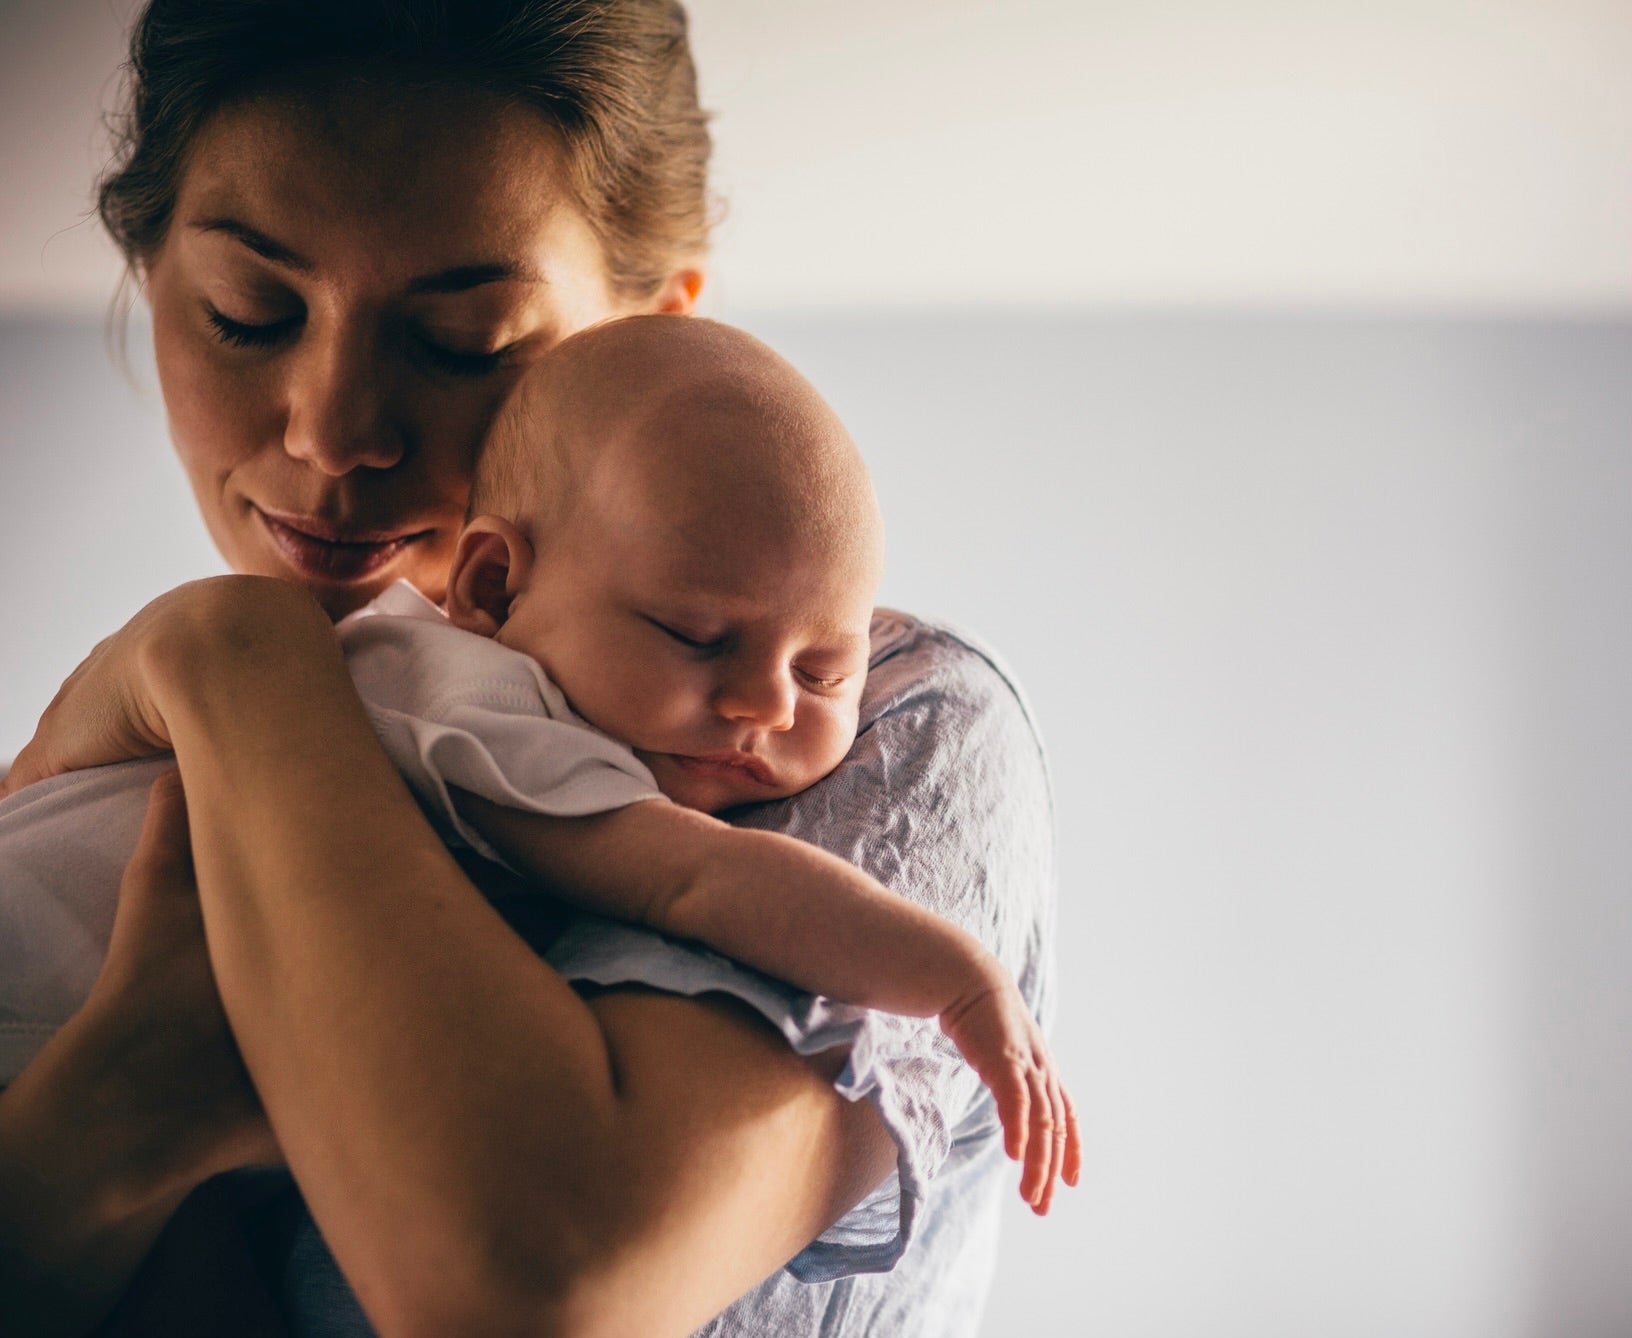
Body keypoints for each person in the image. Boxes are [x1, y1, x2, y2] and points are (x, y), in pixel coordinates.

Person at [0, 3, 1064, 1338]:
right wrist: (121, 1106)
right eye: (249, 311)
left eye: (464, 339)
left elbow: (516, 1299)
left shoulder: (876, 722)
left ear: (651, 336)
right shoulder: (138, 762)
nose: (331, 433)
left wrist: (234, 658)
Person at [0, 313, 1078, 1203]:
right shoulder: (473, 702)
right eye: (696, 636)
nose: (764, 701)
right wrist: (958, 980)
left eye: (825, 672)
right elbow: (699, 878)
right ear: (493, 588)